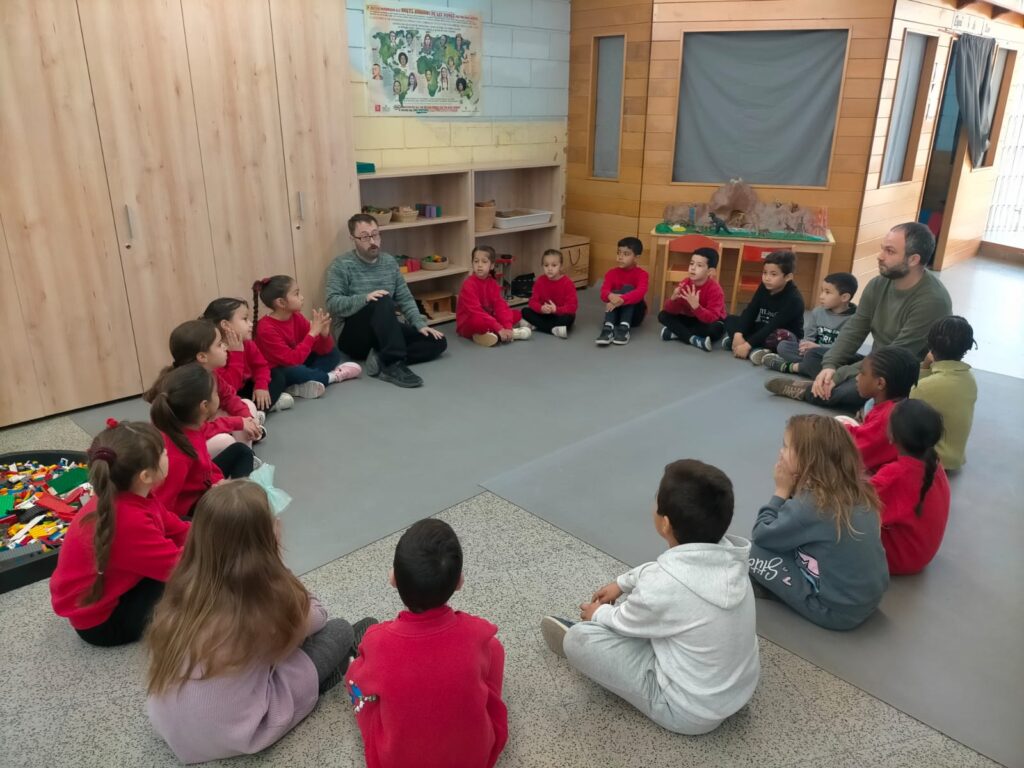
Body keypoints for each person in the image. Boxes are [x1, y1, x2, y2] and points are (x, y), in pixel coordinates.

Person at [147, 481, 375, 764]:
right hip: (238, 731)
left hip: (172, 726)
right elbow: (318, 615)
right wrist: (277, 569)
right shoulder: (261, 600)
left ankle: (314, 677)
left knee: (279, 643)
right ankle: (319, 683)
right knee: (341, 631)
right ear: (267, 539)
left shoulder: (184, 586)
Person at [540, 459, 759, 735]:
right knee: (669, 619)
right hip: (737, 691)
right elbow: (662, 570)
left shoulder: (663, 585)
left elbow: (624, 619)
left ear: (665, 524)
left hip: (687, 712)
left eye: (656, 499)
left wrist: (597, 614)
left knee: (580, 640)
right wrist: (622, 582)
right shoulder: (732, 560)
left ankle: (577, 635)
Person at [346, 519, 508, 768]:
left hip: (396, 763)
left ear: (393, 579)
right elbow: (493, 653)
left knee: (357, 685)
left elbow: (358, 684)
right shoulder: (476, 633)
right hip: (474, 760)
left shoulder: (378, 640)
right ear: (459, 582)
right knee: (493, 651)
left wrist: (354, 672)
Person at [765, 222, 952, 411]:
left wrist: (839, 375)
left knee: (856, 389)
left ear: (913, 260)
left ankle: (808, 391)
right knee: (815, 355)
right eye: (882, 249)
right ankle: (824, 380)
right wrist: (831, 365)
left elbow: (894, 357)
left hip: (899, 373)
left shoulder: (932, 301)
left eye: (890, 251)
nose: (880, 256)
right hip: (875, 360)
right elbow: (855, 328)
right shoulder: (878, 284)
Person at [50, 420, 188, 647]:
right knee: (197, 582)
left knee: (193, 536)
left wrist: (210, 533)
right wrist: (223, 546)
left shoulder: (131, 495)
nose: (168, 453)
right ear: (145, 475)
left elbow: (175, 527)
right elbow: (181, 568)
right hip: (104, 625)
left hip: (107, 593)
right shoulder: (129, 522)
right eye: (163, 452)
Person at [749, 414, 889, 631]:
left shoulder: (811, 504)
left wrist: (781, 491)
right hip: (867, 601)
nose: (781, 452)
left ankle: (785, 594)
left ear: (808, 459)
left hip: (835, 612)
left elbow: (762, 534)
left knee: (751, 552)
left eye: (786, 446)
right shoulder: (859, 491)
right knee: (789, 540)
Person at [324, 213, 447, 388]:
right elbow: (332, 303)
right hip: (352, 336)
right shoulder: (341, 265)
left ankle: (380, 358)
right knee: (381, 299)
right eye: (365, 237)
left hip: (386, 331)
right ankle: (392, 363)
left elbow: (405, 297)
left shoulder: (389, 262)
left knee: (437, 341)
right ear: (353, 239)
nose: (372, 241)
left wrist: (420, 324)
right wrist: (365, 299)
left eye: (375, 234)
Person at [145, 319, 263, 457]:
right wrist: (237, 422)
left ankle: (248, 455)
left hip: (202, 427)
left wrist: (248, 420)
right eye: (219, 344)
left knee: (247, 406)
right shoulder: (188, 387)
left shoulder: (210, 374)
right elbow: (197, 430)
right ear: (202, 357)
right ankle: (238, 459)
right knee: (225, 441)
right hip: (183, 447)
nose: (225, 347)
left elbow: (229, 397)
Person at [150, 363, 254, 518]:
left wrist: (218, 482)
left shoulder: (191, 426)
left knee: (241, 451)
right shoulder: (178, 456)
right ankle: (237, 505)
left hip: (203, 488)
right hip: (192, 509)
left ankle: (239, 496)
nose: (219, 395)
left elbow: (206, 464)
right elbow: (163, 506)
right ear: (204, 405)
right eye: (216, 393)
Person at [872, 400, 950, 575]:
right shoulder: (934, 464)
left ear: (892, 436)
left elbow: (853, 509)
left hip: (899, 558)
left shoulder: (895, 476)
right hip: (919, 553)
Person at [253, 275, 362, 400]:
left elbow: (321, 349)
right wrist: (312, 333)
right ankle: (332, 377)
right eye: (296, 294)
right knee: (295, 371)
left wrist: (324, 335)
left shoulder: (296, 317)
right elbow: (291, 360)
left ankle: (304, 382)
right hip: (277, 371)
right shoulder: (266, 328)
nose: (302, 297)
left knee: (333, 354)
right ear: (281, 302)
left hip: (297, 361)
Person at [202, 297, 293, 414]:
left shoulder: (247, 343)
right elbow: (230, 388)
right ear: (225, 324)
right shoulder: (215, 353)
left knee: (277, 375)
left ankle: (260, 408)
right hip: (230, 394)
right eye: (244, 319)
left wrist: (261, 386)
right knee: (234, 403)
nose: (250, 324)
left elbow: (261, 366)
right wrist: (236, 354)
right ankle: (261, 409)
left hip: (246, 387)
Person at [910, 315, 977, 471]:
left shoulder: (924, 387)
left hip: (930, 459)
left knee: (874, 405)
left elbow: (908, 404)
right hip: (955, 458)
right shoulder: (970, 379)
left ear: (930, 345)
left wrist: (924, 366)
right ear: (967, 347)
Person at [840, 346, 920, 474]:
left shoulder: (887, 417)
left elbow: (855, 454)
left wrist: (833, 431)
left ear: (880, 383)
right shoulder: (901, 407)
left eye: (862, 373)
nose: (857, 378)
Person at [762, 272, 858, 374]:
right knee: (783, 346)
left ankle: (792, 366)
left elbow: (843, 348)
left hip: (833, 354)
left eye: (827, 292)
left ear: (844, 297)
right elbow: (809, 336)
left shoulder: (854, 319)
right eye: (822, 291)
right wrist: (805, 346)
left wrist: (817, 348)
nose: (821, 296)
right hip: (812, 353)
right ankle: (813, 367)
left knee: (853, 359)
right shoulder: (818, 312)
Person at [722, 250, 804, 364]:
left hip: (784, 335)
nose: (767, 278)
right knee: (730, 319)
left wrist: (747, 345)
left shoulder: (794, 299)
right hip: (765, 328)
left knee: (779, 336)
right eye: (765, 273)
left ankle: (749, 348)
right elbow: (751, 310)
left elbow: (773, 325)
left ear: (788, 277)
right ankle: (750, 347)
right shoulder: (765, 286)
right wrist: (738, 334)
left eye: (773, 274)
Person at [456, 245, 532, 347]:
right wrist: (499, 328)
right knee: (478, 322)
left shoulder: (492, 283)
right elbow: (476, 311)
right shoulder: (468, 284)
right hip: (469, 321)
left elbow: (500, 306)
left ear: (492, 265)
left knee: (515, 314)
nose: (479, 265)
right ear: (472, 263)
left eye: (484, 261)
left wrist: (508, 327)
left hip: (488, 318)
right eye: (476, 261)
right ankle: (510, 334)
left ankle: (498, 334)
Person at [657, 247, 726, 351]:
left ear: (710, 271)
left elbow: (712, 318)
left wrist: (696, 307)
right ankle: (693, 339)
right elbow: (672, 311)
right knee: (663, 315)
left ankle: (677, 333)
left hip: (710, 321)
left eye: (699, 265)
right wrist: (673, 300)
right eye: (691, 263)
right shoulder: (685, 283)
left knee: (715, 330)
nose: (693, 268)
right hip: (691, 319)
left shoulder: (715, 290)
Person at [596, 236, 649, 346]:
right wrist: (611, 296)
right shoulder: (611, 273)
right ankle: (608, 328)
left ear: (636, 257)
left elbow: (640, 293)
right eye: (619, 253)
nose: (620, 257)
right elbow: (604, 292)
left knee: (628, 288)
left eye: (626, 254)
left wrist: (621, 299)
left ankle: (624, 328)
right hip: (616, 314)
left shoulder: (642, 274)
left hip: (635, 316)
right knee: (612, 292)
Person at [522, 248, 578, 338]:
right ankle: (553, 329)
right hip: (545, 314)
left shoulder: (568, 283)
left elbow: (572, 307)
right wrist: (541, 308)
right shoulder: (540, 281)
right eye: (546, 265)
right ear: (542, 266)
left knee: (568, 318)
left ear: (561, 266)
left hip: (559, 315)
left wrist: (556, 310)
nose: (550, 269)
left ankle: (539, 326)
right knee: (525, 311)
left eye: (554, 265)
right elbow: (532, 302)